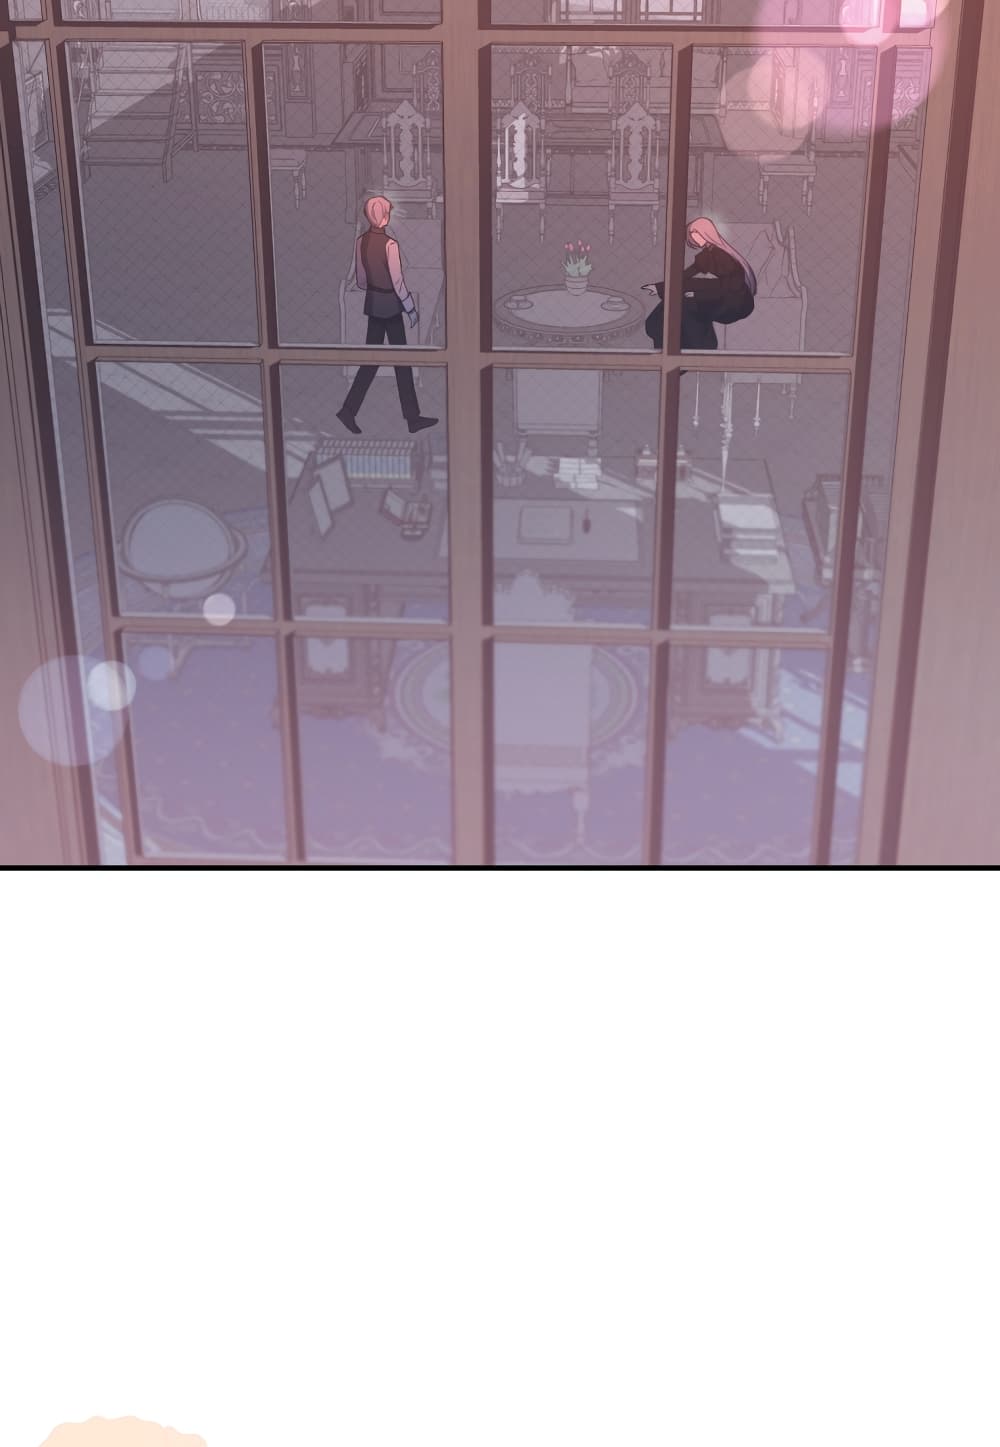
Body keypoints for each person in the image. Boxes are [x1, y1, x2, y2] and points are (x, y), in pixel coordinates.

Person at [337, 195, 437, 435]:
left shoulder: (361, 242)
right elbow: (398, 282)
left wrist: (374, 287)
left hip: (373, 303)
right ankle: (412, 418)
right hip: (391, 306)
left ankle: (349, 410)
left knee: (371, 360)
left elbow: (361, 280)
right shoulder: (390, 245)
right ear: (383, 217)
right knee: (401, 361)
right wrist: (410, 307)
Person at [642, 216, 757, 353]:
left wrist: (697, 295)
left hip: (736, 302)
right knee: (687, 289)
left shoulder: (724, 257)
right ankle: (667, 334)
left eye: (693, 234)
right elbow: (687, 274)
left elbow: (728, 288)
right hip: (723, 293)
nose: (692, 239)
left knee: (687, 303)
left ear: (702, 233)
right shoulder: (709, 254)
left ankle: (699, 345)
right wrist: (659, 287)